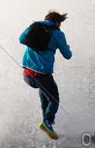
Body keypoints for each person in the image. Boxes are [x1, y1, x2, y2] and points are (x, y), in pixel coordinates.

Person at [19, 11, 72, 140]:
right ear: (58, 22)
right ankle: (47, 121)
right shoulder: (58, 34)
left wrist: (37, 45)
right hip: (42, 75)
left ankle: (46, 120)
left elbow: (21, 40)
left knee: (44, 92)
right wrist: (65, 47)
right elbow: (68, 56)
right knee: (54, 98)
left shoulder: (33, 27)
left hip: (26, 74)